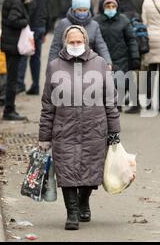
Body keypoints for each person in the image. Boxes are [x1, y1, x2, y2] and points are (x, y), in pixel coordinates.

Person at [38, 25, 121, 231]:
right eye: (71, 42)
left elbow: (110, 100)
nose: (75, 45)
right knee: (66, 171)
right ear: (65, 42)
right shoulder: (55, 66)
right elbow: (48, 104)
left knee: (90, 171)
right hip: (63, 128)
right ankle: (72, 213)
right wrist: (44, 136)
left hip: (94, 128)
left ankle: (84, 200)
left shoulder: (100, 64)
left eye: (79, 42)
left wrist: (114, 131)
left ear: (86, 42)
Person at [94, 0, 140, 113]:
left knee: (120, 83)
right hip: (102, 58)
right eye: (108, 5)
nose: (110, 8)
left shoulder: (123, 20)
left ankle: (116, 108)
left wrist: (135, 57)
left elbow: (131, 39)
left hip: (121, 57)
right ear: (102, 7)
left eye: (113, 5)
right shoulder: (96, 21)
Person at [0, 0, 35, 121]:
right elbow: (13, 20)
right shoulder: (15, 1)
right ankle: (9, 109)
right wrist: (26, 21)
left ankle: (9, 107)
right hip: (13, 45)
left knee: (11, 78)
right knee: (12, 79)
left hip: (10, 44)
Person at [48, 0, 112, 66]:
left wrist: (107, 62)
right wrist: (51, 65)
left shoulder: (94, 25)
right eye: (79, 10)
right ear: (74, 9)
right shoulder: (63, 24)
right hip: (66, 63)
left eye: (85, 10)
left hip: (87, 63)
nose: (82, 12)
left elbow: (101, 45)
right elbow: (56, 47)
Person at [16, 0, 48, 95]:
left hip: (31, 29)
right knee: (36, 58)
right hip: (41, 28)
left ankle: (20, 84)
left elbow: (31, 10)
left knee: (24, 55)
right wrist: (45, 31)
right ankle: (36, 85)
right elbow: (47, 13)